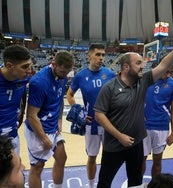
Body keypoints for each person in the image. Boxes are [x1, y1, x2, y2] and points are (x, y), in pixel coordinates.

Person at [94, 27, 173, 188]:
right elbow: (99, 115)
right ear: (126, 67)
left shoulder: (143, 82)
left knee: (136, 182)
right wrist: (119, 136)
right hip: (114, 146)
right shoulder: (109, 88)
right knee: (104, 182)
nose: (143, 66)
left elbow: (164, 64)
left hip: (136, 144)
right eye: (138, 63)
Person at [66, 43, 116, 187]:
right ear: (89, 56)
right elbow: (69, 94)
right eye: (98, 54)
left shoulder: (111, 74)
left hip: (109, 123)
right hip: (91, 124)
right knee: (92, 157)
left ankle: (105, 184)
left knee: (108, 158)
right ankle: (91, 184)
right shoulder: (81, 75)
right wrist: (78, 111)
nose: (101, 58)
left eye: (103, 55)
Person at [24, 50, 75, 188]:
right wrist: (44, 138)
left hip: (52, 127)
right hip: (38, 130)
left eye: (68, 72)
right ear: (53, 64)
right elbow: (31, 115)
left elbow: (59, 99)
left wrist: (59, 119)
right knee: (37, 167)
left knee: (61, 157)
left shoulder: (63, 76)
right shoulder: (39, 82)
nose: (66, 76)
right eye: (63, 72)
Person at [142, 61, 173, 178]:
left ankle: (155, 185)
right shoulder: (146, 79)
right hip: (144, 126)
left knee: (157, 161)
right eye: (166, 71)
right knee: (140, 160)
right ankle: (137, 184)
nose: (168, 74)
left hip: (162, 127)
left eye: (170, 72)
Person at [0, 45, 32, 155]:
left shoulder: (25, 79)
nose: (29, 71)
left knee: (17, 169)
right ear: (9, 66)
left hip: (12, 136)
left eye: (30, 66)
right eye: (25, 67)